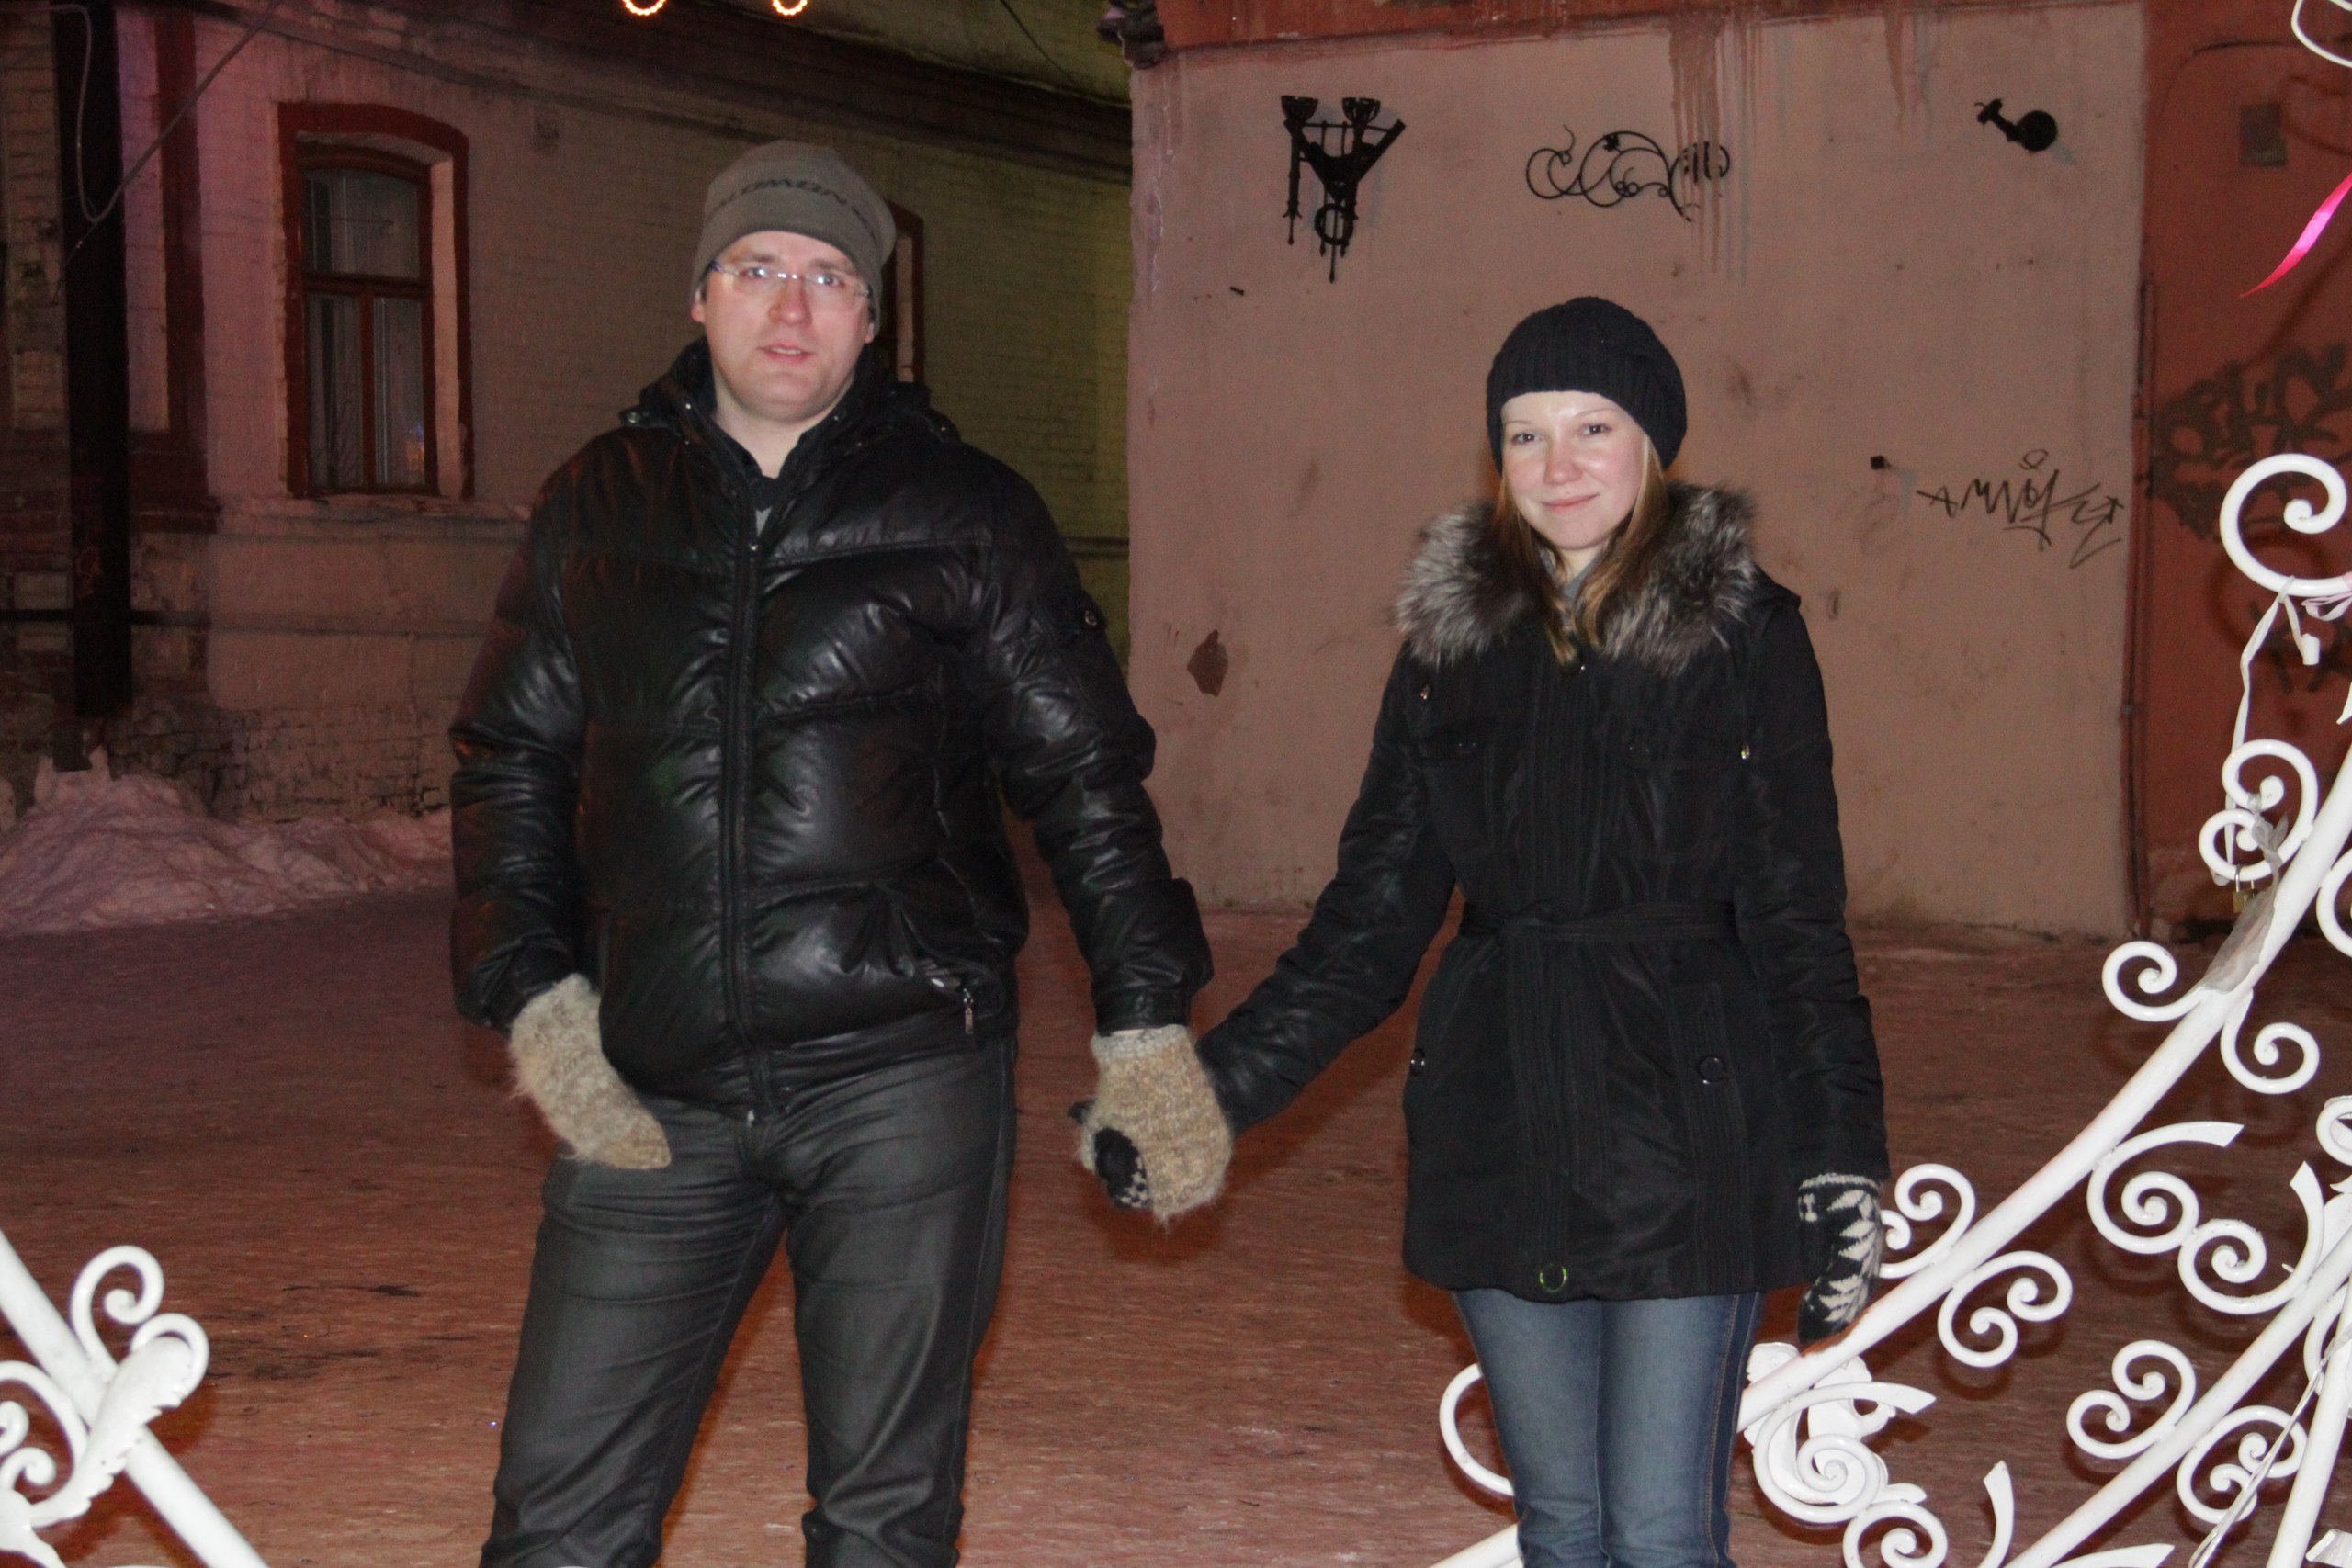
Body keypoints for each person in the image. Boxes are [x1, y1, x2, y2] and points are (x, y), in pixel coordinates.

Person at [449, 140, 1227, 1568]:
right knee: (558, 1520)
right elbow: (510, 761)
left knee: (881, 1521)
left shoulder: (966, 512)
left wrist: (1146, 1022)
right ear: (701, 295)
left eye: (828, 278)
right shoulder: (595, 506)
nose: (791, 306)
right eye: (757, 269)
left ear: (872, 319)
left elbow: (1085, 778)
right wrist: (532, 990)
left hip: (898, 1079)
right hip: (652, 1086)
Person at [1079, 297, 1888, 1568]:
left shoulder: (1743, 633)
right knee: (1560, 1528)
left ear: (1653, 443)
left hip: (1688, 1126)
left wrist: (1842, 1152)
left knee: (1660, 1533)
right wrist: (1207, 1099)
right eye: (1525, 435)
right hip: (1499, 1117)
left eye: (1592, 427)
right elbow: (1368, 924)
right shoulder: (1448, 650)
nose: (1558, 465)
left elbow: (1797, 920)